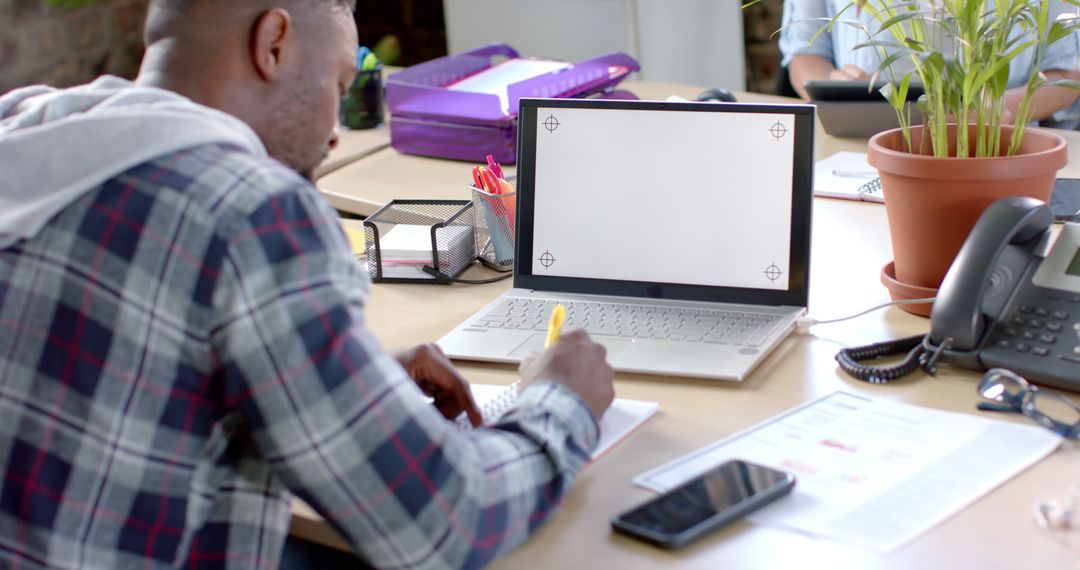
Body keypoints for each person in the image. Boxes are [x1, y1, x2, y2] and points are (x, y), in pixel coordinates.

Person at [0, 0, 615, 568]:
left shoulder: (24, 128)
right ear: (273, 43)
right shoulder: (251, 212)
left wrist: (344, 371)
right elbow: (446, 522)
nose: (334, 133)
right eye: (340, 84)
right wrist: (562, 399)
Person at [778, 0, 1080, 124]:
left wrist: (992, 112)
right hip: (860, 146)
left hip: (996, 147)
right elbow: (805, 53)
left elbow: (1068, 75)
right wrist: (834, 87)